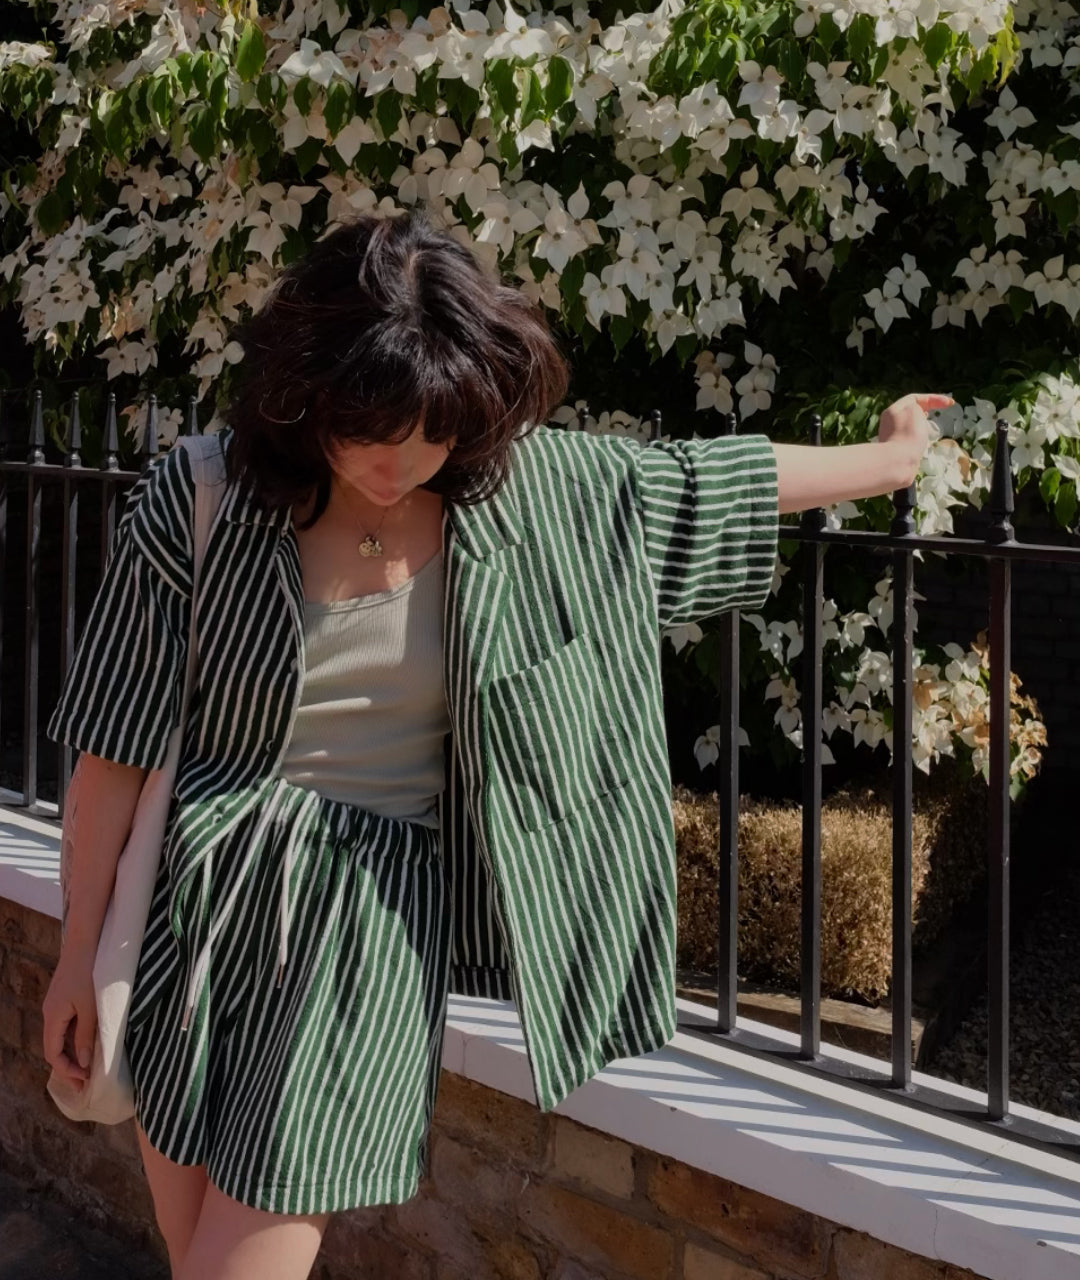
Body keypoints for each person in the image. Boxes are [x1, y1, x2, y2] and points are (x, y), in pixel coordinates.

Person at [41, 203, 951, 1280]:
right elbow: (112, 751)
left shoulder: (531, 499)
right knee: (197, 1250)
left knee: (246, 1257)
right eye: (366, 426)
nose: (399, 461)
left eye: (430, 428)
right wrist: (69, 956)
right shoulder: (200, 497)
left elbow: (703, 483)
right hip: (195, 896)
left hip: (367, 922)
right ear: (304, 388)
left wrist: (889, 462)